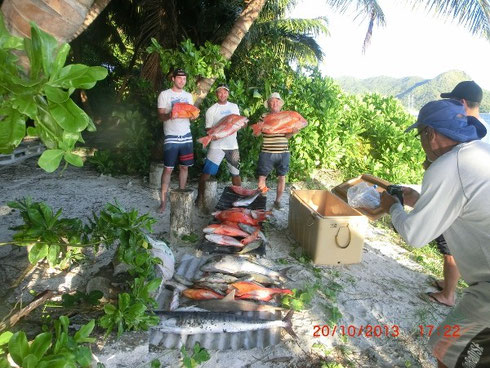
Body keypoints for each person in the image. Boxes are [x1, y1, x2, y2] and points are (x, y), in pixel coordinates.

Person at [380, 99, 489, 368]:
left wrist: (392, 207)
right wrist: (419, 200)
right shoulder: (479, 152)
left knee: (446, 347)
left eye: (420, 135)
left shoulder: (447, 166)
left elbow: (414, 236)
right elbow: (465, 205)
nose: (421, 141)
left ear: (430, 133)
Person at [426, 81, 488, 307]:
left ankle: (449, 294)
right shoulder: (480, 128)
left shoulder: (466, 129)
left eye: (452, 101)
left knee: (450, 246)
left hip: (461, 197)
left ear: (462, 103)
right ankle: (448, 286)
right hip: (471, 199)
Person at [156, 68, 196, 212]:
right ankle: (163, 202)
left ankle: (181, 197)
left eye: (184, 79)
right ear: (173, 79)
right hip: (171, 137)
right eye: (179, 78)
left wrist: (193, 116)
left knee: (184, 167)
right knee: (168, 169)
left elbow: (191, 114)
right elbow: (160, 116)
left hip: (186, 136)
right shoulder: (164, 95)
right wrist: (169, 116)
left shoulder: (188, 96)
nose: (182, 81)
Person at [196, 84, 241, 205]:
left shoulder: (234, 107)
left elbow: (239, 122)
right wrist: (214, 135)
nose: (222, 94)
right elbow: (208, 130)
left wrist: (243, 124)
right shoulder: (211, 110)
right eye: (220, 92)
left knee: (236, 174)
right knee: (206, 173)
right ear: (216, 94)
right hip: (216, 146)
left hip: (232, 147)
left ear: (228, 93)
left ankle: (238, 200)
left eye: (225, 92)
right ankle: (199, 197)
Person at [257, 93, 297, 210]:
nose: (274, 104)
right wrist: (259, 128)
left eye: (276, 101)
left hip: (283, 152)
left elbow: (287, 136)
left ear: (280, 103)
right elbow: (257, 133)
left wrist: (293, 132)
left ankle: (277, 201)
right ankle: (262, 200)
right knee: (262, 177)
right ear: (269, 104)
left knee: (282, 177)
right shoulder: (263, 116)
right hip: (266, 152)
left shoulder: (286, 117)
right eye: (272, 101)